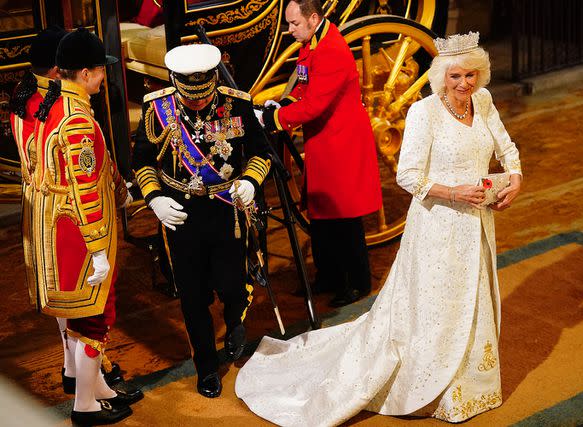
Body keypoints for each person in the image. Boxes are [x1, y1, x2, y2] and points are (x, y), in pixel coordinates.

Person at [236, 31, 522, 425]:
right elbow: (407, 176)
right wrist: (453, 192)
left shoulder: (484, 102)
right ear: (441, 75)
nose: (464, 83)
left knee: (473, 297)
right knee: (437, 306)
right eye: (455, 76)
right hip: (437, 225)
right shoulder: (425, 113)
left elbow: (507, 148)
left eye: (471, 75)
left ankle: (472, 385)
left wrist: (515, 178)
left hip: (478, 224)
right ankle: (434, 385)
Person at [132, 43, 271, 398]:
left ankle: (237, 320)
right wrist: (155, 198)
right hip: (180, 214)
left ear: (212, 79)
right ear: (176, 81)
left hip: (227, 209)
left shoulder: (236, 101)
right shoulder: (156, 109)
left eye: (202, 95)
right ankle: (207, 368)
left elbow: (260, 152)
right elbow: (143, 162)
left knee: (231, 285)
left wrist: (251, 182)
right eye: (189, 96)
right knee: (192, 298)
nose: (197, 102)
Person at [10, 26, 133, 399]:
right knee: (92, 314)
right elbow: (83, 182)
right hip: (75, 224)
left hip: (47, 214)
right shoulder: (71, 114)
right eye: (99, 70)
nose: (103, 76)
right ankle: (85, 396)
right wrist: (98, 245)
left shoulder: (31, 99)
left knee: (75, 307)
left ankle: (84, 380)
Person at [259, 0, 382, 307]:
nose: (289, 30)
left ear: (313, 18)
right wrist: (284, 104)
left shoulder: (332, 50)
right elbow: (304, 86)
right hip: (323, 139)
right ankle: (328, 276)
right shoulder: (312, 40)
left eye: (294, 24)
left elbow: (314, 105)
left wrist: (273, 119)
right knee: (321, 212)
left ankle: (358, 282)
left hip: (342, 142)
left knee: (345, 217)